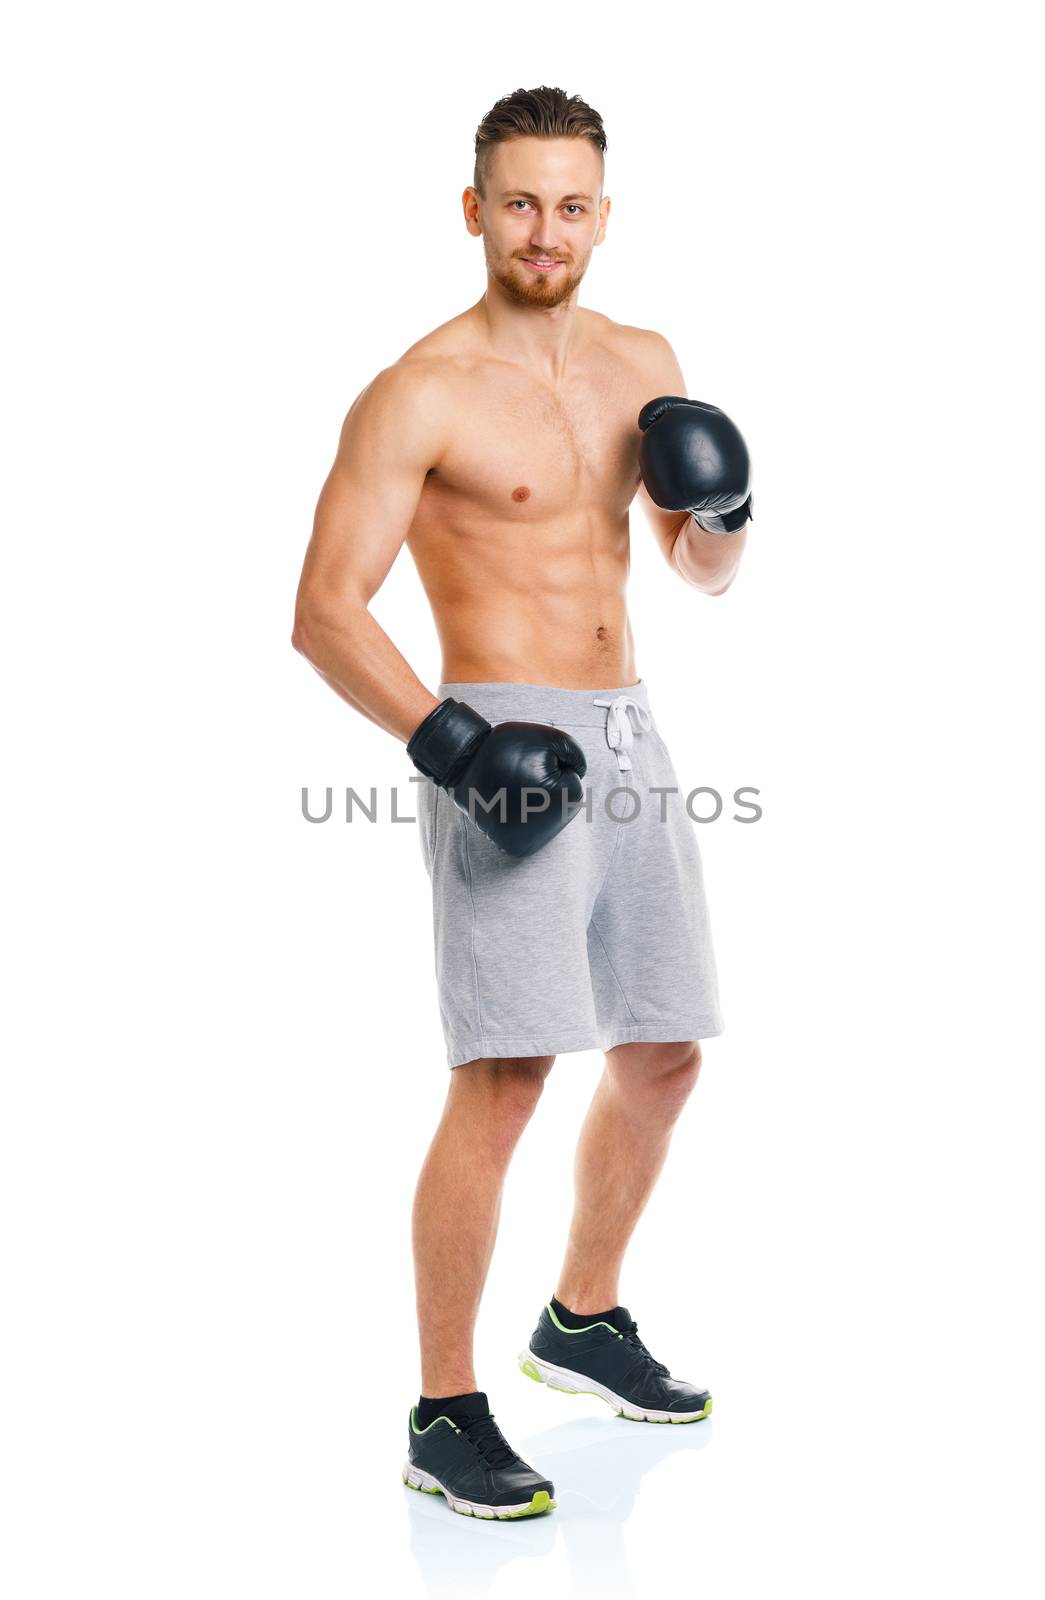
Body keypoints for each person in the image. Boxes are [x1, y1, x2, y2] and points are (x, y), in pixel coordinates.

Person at [292, 84, 752, 1521]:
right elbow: (322, 612)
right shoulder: (417, 390)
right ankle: (442, 1411)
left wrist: (727, 513)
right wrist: (451, 742)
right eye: (518, 202)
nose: (544, 231)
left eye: (570, 206)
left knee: (666, 1051)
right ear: (473, 208)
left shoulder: (643, 360)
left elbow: (701, 576)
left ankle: (583, 1318)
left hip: (629, 732)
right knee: (505, 1078)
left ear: (600, 216)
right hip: (499, 741)